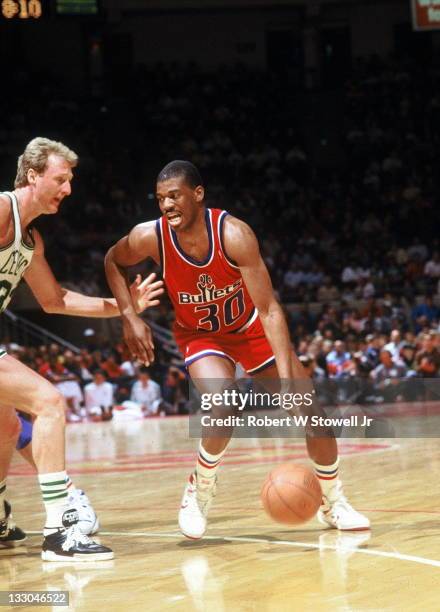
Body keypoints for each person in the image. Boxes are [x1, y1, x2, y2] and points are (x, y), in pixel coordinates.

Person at [105, 160, 369, 540]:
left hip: (249, 328)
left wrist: (286, 375)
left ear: (198, 195)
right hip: (201, 335)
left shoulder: (234, 234)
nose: (165, 205)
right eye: (160, 198)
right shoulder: (150, 237)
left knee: (313, 412)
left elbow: (270, 309)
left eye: (174, 196)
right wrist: (129, 316)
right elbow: (112, 260)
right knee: (223, 404)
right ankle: (200, 489)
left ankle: (333, 502)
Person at [0, 137, 163, 560]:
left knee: (7, 427)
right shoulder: (1, 210)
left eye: (70, 180)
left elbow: (57, 300)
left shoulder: (30, 240)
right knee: (49, 402)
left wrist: (126, 307)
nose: (67, 189)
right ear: (33, 175)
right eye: (60, 179)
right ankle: (59, 531)